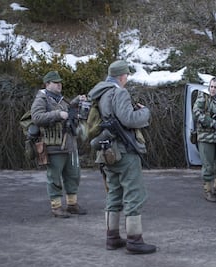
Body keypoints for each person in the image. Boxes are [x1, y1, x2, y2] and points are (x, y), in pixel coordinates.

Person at [88, 60, 156, 254]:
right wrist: (144, 112)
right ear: (122, 76)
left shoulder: (100, 94)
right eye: (126, 75)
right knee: (134, 194)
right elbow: (129, 119)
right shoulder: (119, 92)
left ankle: (112, 238)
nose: (127, 78)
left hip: (107, 152)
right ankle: (134, 240)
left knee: (114, 193)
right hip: (123, 152)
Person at [31, 71, 87, 218]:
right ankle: (56, 207)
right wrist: (57, 115)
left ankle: (72, 204)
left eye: (59, 82)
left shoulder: (60, 99)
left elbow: (68, 111)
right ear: (47, 84)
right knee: (54, 177)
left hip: (69, 144)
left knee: (73, 175)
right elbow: (36, 117)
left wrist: (75, 101)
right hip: (53, 146)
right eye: (55, 82)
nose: (59, 84)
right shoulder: (42, 99)